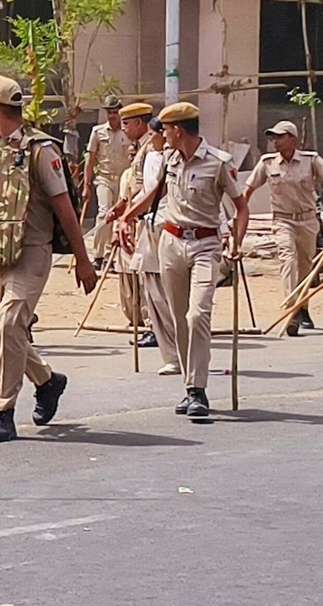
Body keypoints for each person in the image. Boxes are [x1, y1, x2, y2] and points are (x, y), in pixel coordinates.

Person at [0, 75, 95, 442]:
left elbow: (66, 208)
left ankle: (2, 411)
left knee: (10, 325)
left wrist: (82, 258)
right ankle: (47, 380)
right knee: (0, 331)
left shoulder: (42, 151)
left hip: (31, 252)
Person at [116, 101, 245, 421]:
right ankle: (190, 387)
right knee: (178, 318)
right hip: (171, 245)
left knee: (197, 313)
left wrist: (237, 242)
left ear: (178, 130)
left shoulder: (219, 163)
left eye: (166, 129)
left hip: (206, 245)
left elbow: (241, 207)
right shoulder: (168, 160)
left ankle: (199, 389)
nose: (161, 134)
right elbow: (153, 195)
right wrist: (126, 218)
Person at [103, 104, 183, 374]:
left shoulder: (169, 155)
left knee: (169, 292)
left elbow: (152, 193)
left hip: (169, 227)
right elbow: (138, 190)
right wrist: (123, 214)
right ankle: (169, 349)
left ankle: (178, 349)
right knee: (151, 286)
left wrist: (127, 215)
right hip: (148, 223)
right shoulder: (148, 153)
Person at [244, 120, 323, 338]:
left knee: (305, 267)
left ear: (293, 139)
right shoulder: (267, 163)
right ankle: (292, 311)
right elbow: (248, 189)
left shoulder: (311, 160)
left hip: (307, 220)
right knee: (288, 260)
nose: (275, 141)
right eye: (272, 137)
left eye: (280, 136)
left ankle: (303, 308)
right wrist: (240, 213)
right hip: (283, 221)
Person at [84, 95, 130, 265]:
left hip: (124, 180)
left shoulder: (128, 131)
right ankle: (98, 254)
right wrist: (86, 186)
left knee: (120, 217)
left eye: (115, 112)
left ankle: (111, 257)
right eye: (109, 112)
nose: (112, 115)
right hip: (104, 177)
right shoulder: (97, 132)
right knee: (104, 213)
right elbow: (90, 160)